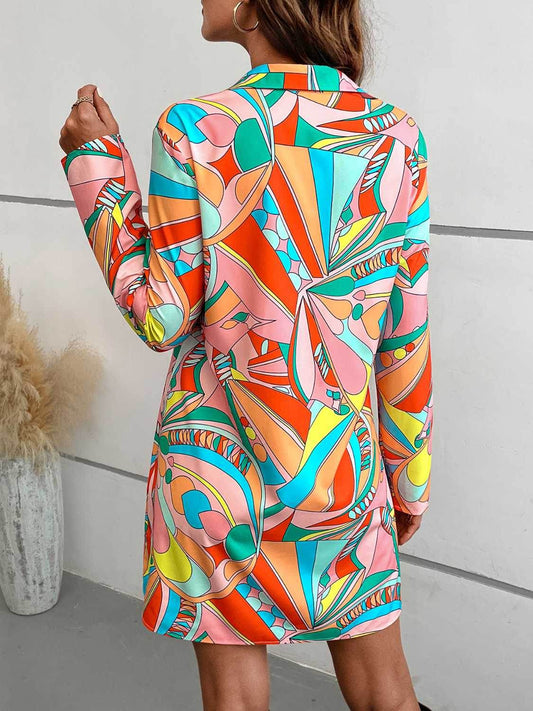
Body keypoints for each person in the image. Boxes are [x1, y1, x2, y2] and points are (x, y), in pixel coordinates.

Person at [59, 1, 434, 709]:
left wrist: (96, 165)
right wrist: (407, 475)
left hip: (214, 475)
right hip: (339, 469)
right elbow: (404, 332)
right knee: (387, 694)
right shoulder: (396, 136)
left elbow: (161, 315)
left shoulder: (194, 128)